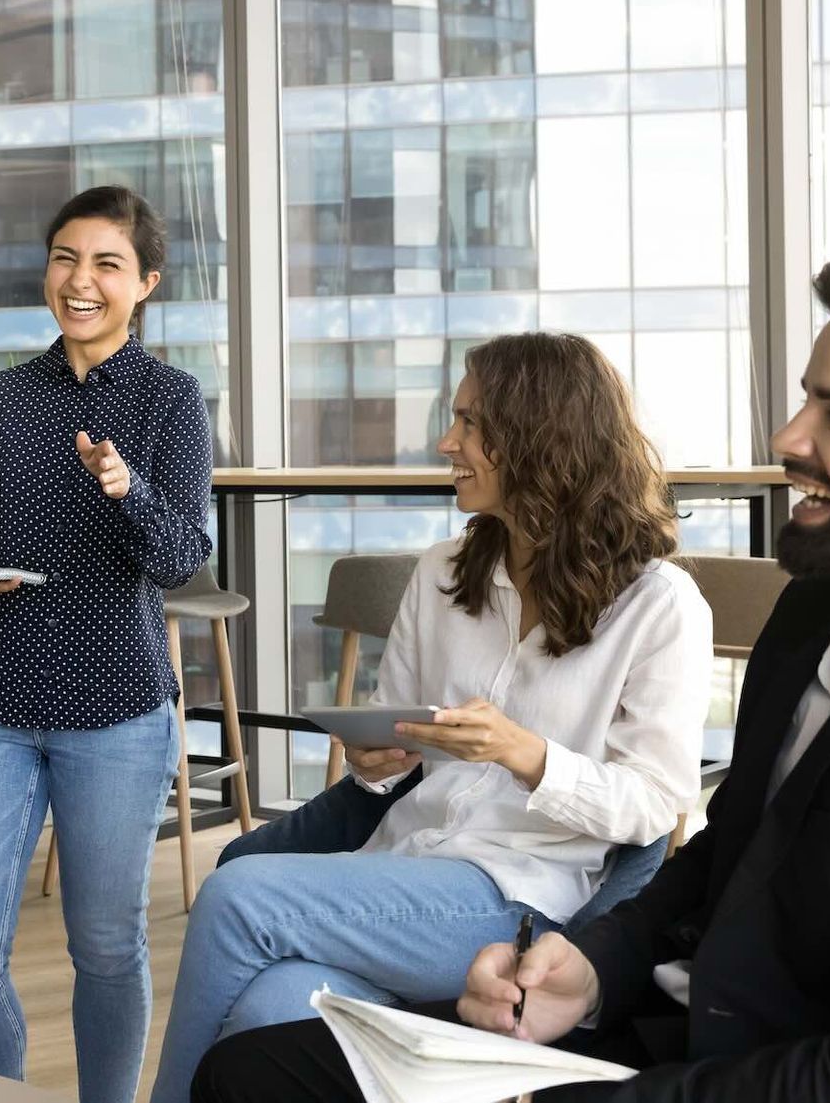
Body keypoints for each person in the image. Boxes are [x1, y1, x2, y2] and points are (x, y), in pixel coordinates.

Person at [191, 245, 830, 1103]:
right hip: (646, 1016)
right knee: (254, 1063)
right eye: (803, 402)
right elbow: (727, 851)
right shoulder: (813, 616)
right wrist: (594, 965)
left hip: (738, 1070)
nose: (789, 438)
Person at [149, 333, 713, 1103]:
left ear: (541, 436)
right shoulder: (443, 573)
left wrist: (527, 755)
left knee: (237, 893)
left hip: (521, 898)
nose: (448, 442)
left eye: (470, 423)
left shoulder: (659, 604)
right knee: (266, 1009)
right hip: (403, 869)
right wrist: (378, 762)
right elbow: (398, 751)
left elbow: (653, 802)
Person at [0, 186, 213, 1103]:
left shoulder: (172, 401)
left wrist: (125, 488)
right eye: (64, 258)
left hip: (117, 707)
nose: (79, 280)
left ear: (146, 284)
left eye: (106, 264)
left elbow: (179, 560)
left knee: (103, 945)